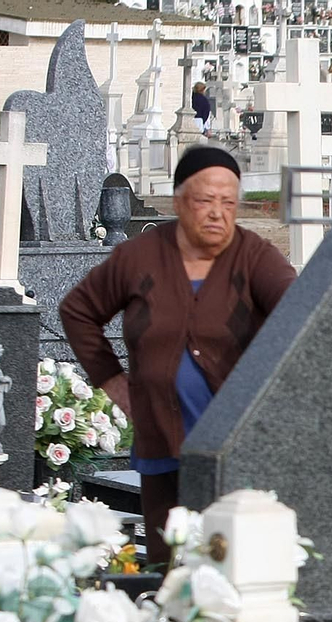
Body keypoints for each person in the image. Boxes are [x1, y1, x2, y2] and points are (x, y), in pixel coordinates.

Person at [60, 146, 295, 566]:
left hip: (232, 447)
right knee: (169, 567)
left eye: (229, 202)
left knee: (233, 562)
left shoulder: (255, 256)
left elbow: (301, 311)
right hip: (161, 444)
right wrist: (113, 381)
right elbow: (78, 311)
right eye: (206, 200)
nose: (218, 213)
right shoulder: (140, 256)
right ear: (180, 201)